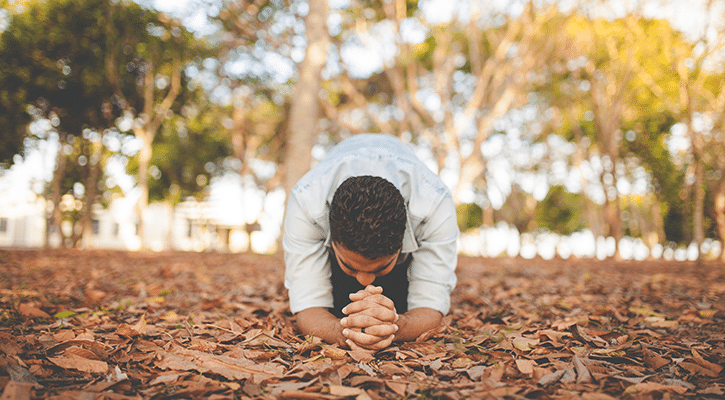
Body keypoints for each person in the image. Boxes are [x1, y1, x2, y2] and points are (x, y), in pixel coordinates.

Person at [283, 133, 458, 351]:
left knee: (398, 299)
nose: (365, 281)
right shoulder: (307, 202)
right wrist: (341, 331)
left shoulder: (434, 203)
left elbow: (430, 303)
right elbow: (308, 305)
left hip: (404, 264)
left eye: (382, 266)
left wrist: (395, 326)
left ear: (401, 243)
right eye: (350, 265)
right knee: (340, 304)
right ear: (332, 237)